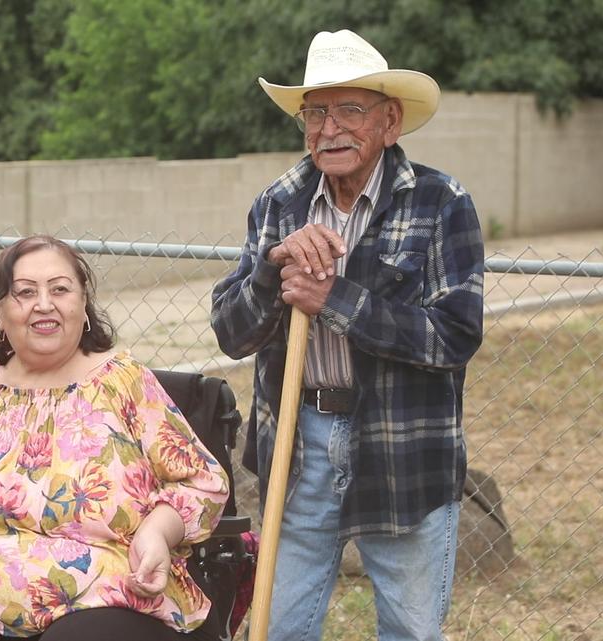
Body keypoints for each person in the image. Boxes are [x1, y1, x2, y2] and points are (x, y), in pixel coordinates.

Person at [211, 30, 485, 640]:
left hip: (402, 444)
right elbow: (231, 332)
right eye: (316, 112)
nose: (330, 128)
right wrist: (272, 271)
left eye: (350, 110)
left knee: (410, 631)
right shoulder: (279, 204)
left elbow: (455, 336)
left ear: (390, 122)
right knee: (276, 629)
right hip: (296, 441)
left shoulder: (441, 203)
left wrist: (334, 298)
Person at [0, 235, 230, 641]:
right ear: (1, 312)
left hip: (98, 591)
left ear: (83, 305)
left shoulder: (123, 382)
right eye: (25, 292)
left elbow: (202, 482)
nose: (44, 303)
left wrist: (157, 532)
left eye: (60, 289)